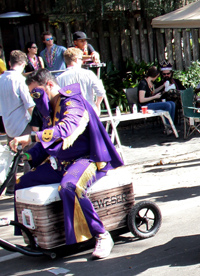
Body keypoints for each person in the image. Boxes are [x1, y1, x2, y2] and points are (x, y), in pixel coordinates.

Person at [10, 69, 123, 259]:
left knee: (69, 186)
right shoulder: (49, 108)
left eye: (35, 92)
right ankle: (32, 235)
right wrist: (26, 156)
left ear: (49, 85)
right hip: (60, 163)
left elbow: (66, 129)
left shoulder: (72, 101)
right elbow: (48, 143)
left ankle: (102, 235)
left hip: (87, 159)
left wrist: (31, 136)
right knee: (22, 183)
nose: (34, 98)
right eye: (32, 94)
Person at [0, 50, 35, 139]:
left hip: (8, 128)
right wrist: (38, 126)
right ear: (23, 64)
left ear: (9, 63)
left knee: (14, 148)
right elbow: (30, 105)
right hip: (23, 126)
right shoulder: (20, 80)